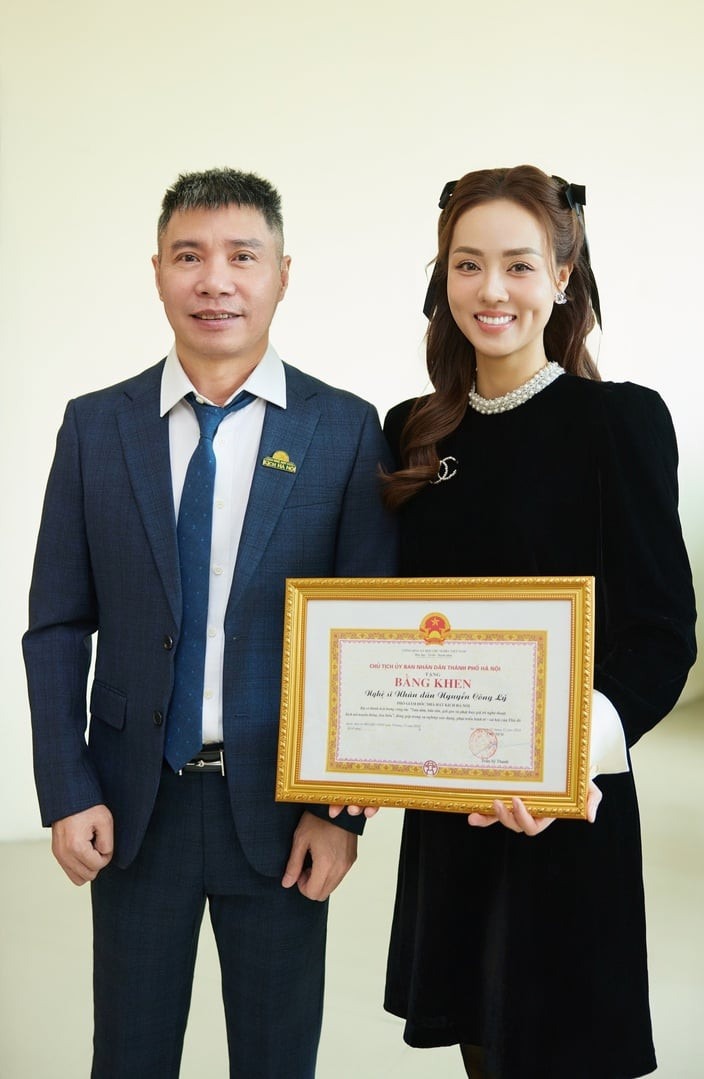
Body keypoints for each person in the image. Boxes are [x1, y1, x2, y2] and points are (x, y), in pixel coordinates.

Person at [23, 167, 396, 1078]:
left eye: (242, 256)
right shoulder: (95, 427)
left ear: (283, 274)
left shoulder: (345, 430)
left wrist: (338, 812)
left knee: (277, 1058)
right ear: (157, 271)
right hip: (132, 806)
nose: (215, 281)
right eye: (189, 256)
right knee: (129, 1055)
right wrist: (67, 787)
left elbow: (367, 642)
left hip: (280, 813)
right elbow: (57, 625)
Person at [380, 165, 696, 1079]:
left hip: (565, 810)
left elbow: (663, 635)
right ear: (443, 277)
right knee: (483, 1047)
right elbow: (389, 629)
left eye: (519, 265)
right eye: (468, 264)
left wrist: (559, 758)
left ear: (561, 276)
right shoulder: (413, 433)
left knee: (566, 1046)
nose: (492, 290)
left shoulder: (619, 421)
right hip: (452, 814)